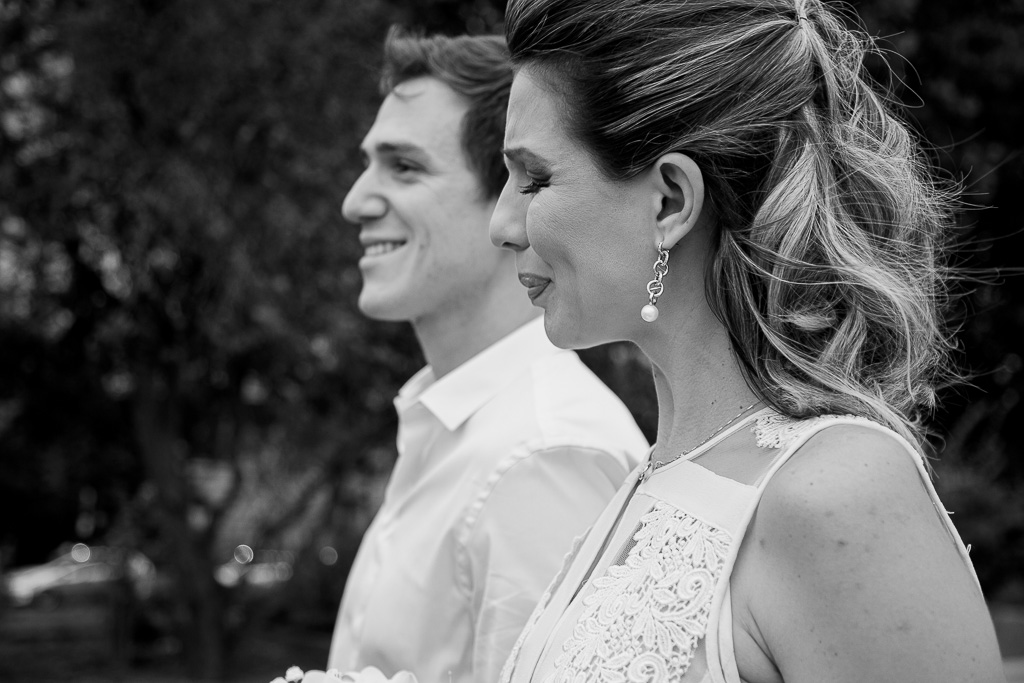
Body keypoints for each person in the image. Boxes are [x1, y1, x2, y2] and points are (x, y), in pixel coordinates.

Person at [481, 0, 1008, 681]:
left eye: (534, 178)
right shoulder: (655, 474)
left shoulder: (835, 494)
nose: (501, 223)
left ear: (669, 201)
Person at [326, 26, 649, 683]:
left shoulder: (543, 453)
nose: (355, 201)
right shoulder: (447, 430)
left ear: (513, 190)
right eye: (367, 164)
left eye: (405, 166)